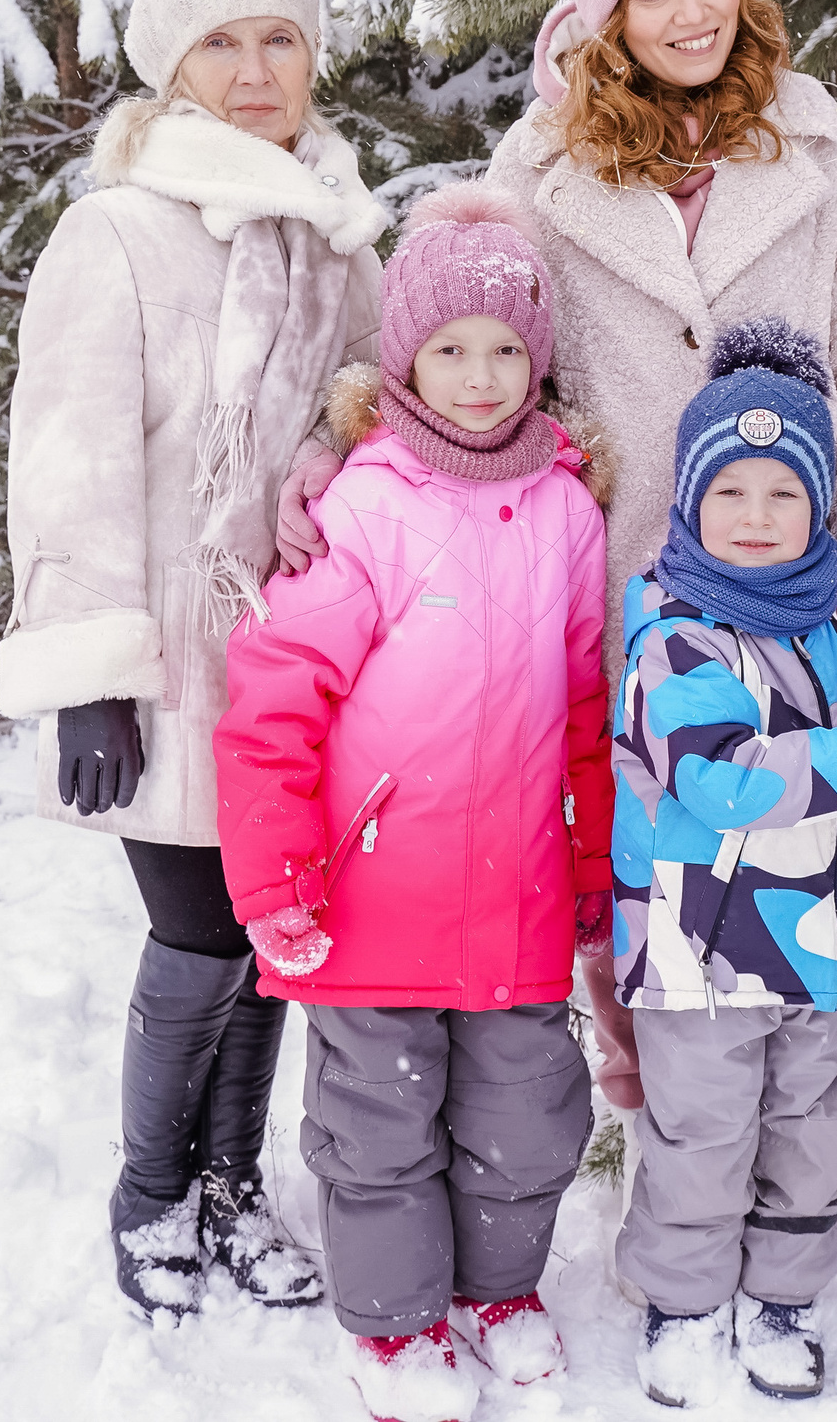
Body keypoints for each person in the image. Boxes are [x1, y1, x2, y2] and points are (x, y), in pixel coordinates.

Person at [276, 0, 837, 1121]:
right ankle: (660, 1137)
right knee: (647, 868)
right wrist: (344, 446)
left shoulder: (812, 130)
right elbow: (470, 348)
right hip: (619, 580)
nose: (695, 11)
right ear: (597, 15)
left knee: (796, 847)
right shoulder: (540, 164)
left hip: (793, 571)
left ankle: (782, 1146)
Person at [0, 0, 381, 1321]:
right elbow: (70, 453)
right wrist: (91, 667)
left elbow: (369, 440)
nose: (255, 69)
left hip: (294, 658)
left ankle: (233, 1183)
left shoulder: (337, 230)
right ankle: (152, 1190)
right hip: (166, 651)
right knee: (200, 929)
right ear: (172, 71)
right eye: (221, 45)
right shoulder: (117, 227)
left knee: (276, 923)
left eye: (278, 39)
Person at [212, 184, 616, 1422]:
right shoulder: (366, 504)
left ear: (538, 362)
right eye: (450, 348)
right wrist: (277, 880)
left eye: (506, 349)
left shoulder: (564, 504)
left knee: (528, 1111)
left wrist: (593, 860)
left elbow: (590, 705)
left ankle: (498, 1291)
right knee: (378, 1120)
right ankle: (391, 1327)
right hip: (373, 892)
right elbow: (274, 702)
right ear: (404, 357)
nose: (481, 375)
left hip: (519, 896)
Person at [608, 319, 837, 1407]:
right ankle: (684, 1303)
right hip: (698, 955)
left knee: (809, 1136)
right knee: (701, 1141)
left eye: (783, 495)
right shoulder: (675, 636)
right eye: (731, 493)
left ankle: (781, 1297)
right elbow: (720, 784)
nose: (756, 518)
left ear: (820, 508)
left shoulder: (817, 632)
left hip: (812, 950)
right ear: (691, 502)